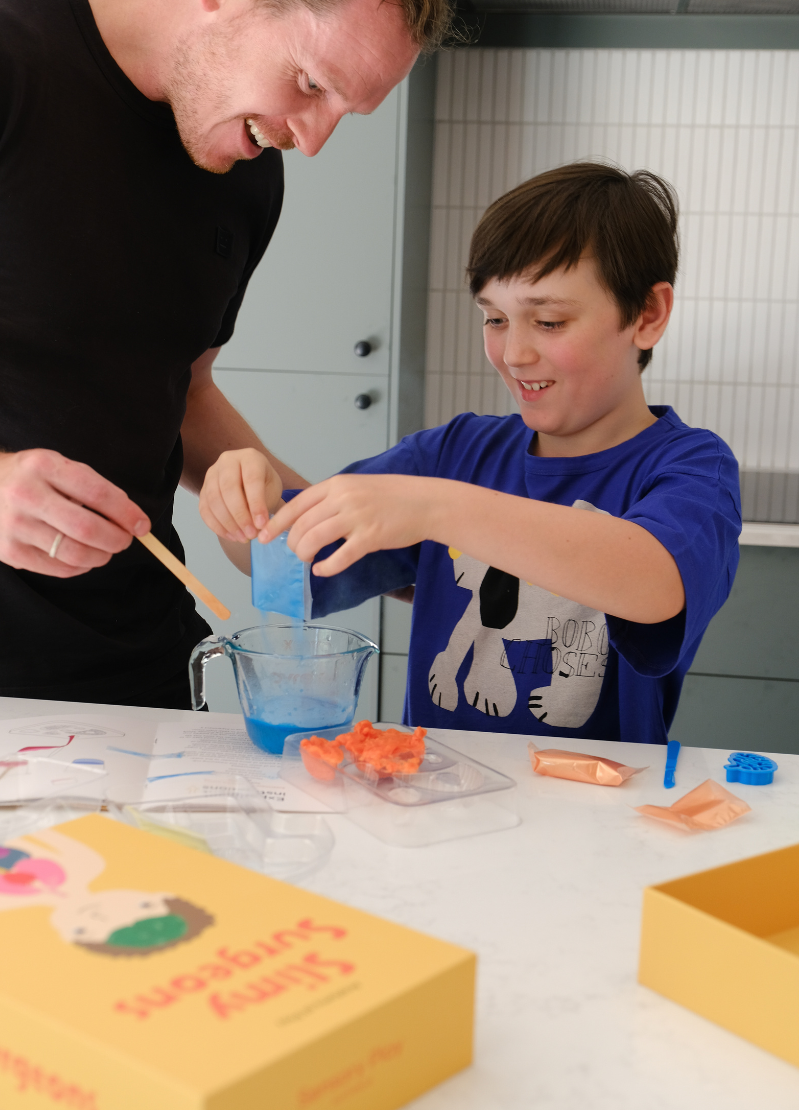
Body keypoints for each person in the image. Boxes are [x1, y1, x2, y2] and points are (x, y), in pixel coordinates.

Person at [0, 0, 443, 708]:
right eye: (309, 84)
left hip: (146, 670)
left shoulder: (247, 174)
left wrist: (360, 542)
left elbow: (186, 392)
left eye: (344, 112)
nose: (311, 143)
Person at [201, 163, 742, 745]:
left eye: (550, 321)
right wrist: (243, 502)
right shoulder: (455, 452)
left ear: (647, 315)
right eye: (495, 318)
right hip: (436, 804)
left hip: (598, 815)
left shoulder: (690, 466)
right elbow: (286, 553)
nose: (513, 352)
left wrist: (436, 509)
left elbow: (654, 580)